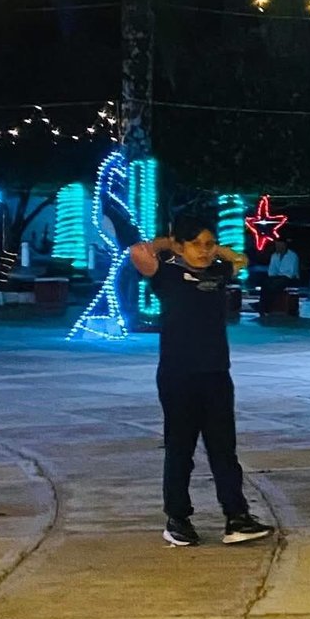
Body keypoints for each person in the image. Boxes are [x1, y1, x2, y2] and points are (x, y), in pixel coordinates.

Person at [123, 208, 273, 548]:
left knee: (224, 450)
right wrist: (170, 244)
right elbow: (137, 252)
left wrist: (217, 249)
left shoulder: (218, 273)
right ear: (180, 246)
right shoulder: (166, 274)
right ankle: (178, 520)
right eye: (196, 244)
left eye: (209, 244)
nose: (204, 251)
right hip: (178, 376)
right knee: (180, 449)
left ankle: (237, 518)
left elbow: (241, 260)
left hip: (216, 375)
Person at [258, 236, 300, 318]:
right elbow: (271, 271)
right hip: (277, 278)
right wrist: (274, 278)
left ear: (284, 245)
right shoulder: (274, 256)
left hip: (290, 278)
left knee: (274, 285)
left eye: (279, 245)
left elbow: (290, 273)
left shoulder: (292, 256)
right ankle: (263, 307)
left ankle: (266, 307)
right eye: (276, 245)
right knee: (265, 283)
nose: (277, 247)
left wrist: (277, 277)